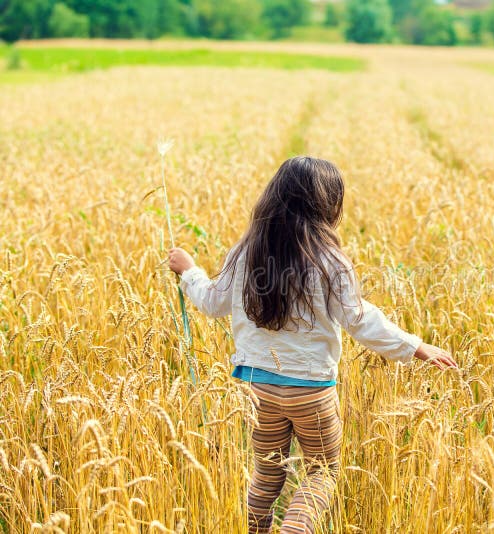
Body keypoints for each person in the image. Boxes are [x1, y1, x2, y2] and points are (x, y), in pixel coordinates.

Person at [167, 156, 457, 533]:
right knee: (322, 471)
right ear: (326, 205)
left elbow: (211, 302)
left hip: (258, 388)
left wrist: (189, 271)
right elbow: (359, 319)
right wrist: (416, 347)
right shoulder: (330, 261)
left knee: (267, 474)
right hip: (311, 390)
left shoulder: (245, 252)